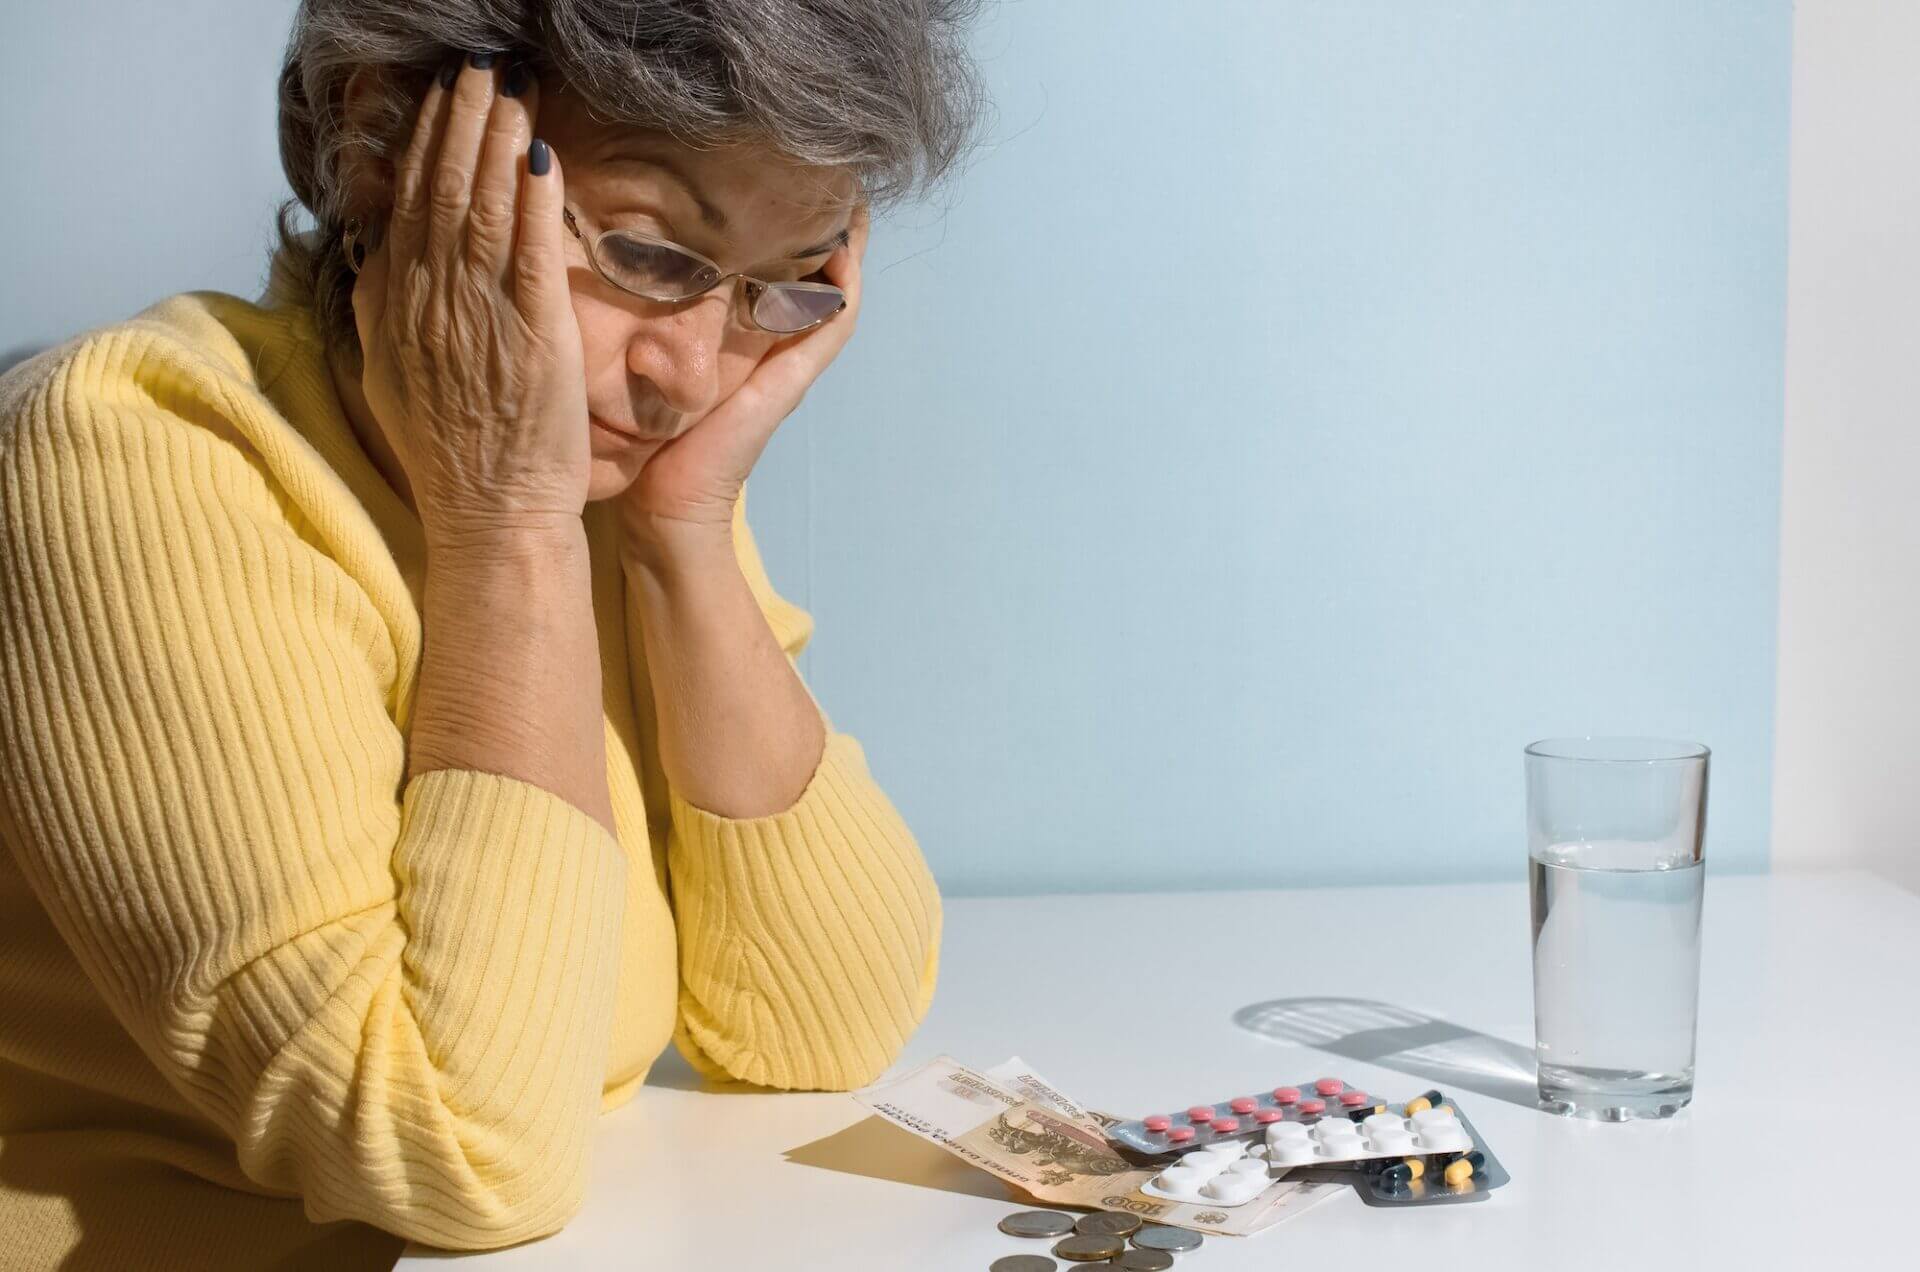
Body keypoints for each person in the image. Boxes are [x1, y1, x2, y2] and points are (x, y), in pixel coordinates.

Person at [0, 2, 984, 1267]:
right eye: (650, 252)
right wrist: (504, 527)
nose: (689, 371)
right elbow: (457, 1154)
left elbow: (823, 1023)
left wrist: (690, 533)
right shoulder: (130, 454)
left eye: (776, 286)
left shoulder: (619, 477)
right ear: (382, 138)